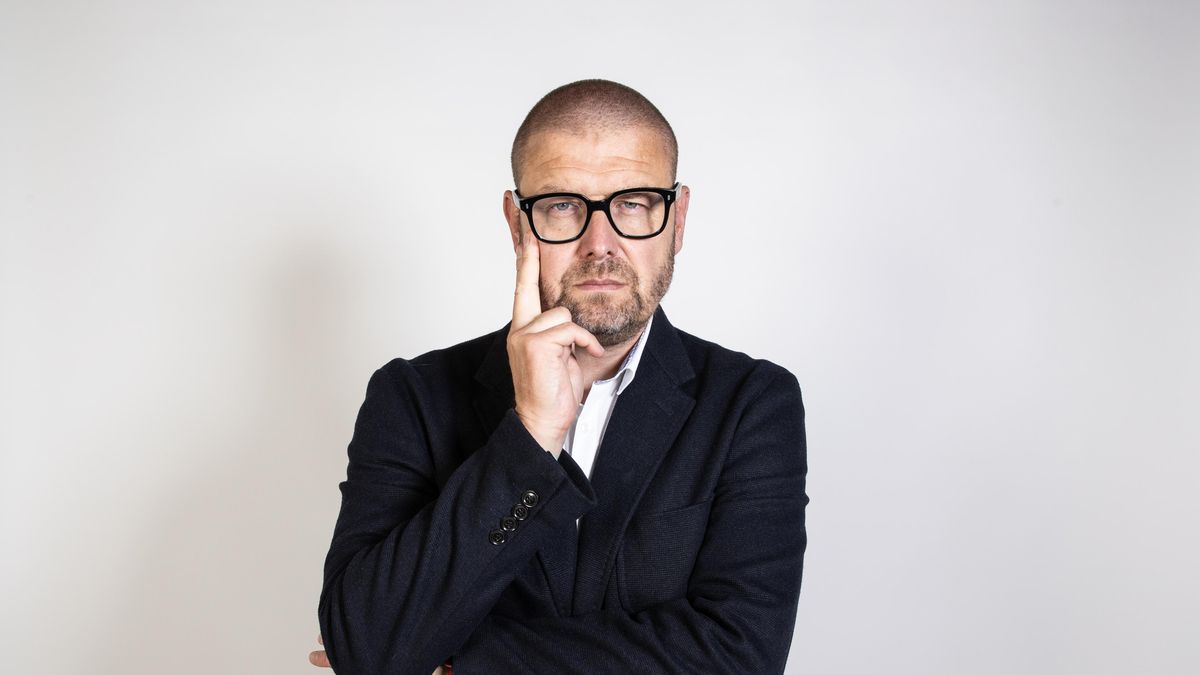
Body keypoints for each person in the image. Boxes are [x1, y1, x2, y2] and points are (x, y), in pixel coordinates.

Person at [310, 79, 808, 674]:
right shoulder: (412, 397)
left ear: (677, 220)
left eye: (634, 203)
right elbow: (366, 644)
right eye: (562, 206)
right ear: (517, 223)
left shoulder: (752, 403)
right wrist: (530, 436)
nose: (601, 245)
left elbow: (742, 656)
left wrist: (468, 663)